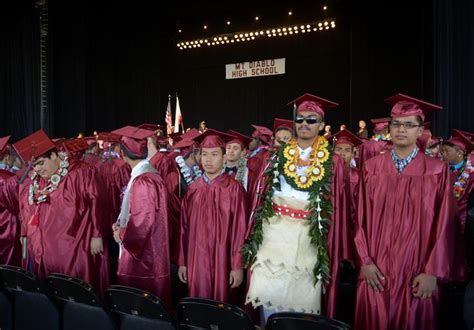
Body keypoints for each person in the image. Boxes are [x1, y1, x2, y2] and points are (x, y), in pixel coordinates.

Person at [244, 93, 352, 321]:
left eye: (311, 120)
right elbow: (261, 197)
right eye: (300, 119)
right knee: (270, 295)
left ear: (321, 125)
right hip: (274, 233)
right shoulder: (275, 157)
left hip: (309, 236)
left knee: (302, 299)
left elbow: (340, 207)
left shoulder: (334, 162)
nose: (304, 124)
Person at [354, 93, 456, 330]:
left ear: (421, 131)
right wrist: (365, 262)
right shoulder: (371, 168)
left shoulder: (437, 171)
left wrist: (432, 272)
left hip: (417, 271)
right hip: (376, 271)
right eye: (397, 123)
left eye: (409, 125)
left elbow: (445, 226)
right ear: (389, 128)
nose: (402, 129)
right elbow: (359, 219)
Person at [11, 129, 110, 292]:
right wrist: (24, 233)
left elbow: (99, 201)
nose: (37, 170)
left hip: (73, 243)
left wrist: (97, 234)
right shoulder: (33, 181)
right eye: (33, 166)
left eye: (41, 163)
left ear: (54, 156)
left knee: (73, 288)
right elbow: (25, 208)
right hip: (42, 244)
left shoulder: (81, 172)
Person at [178, 129, 247, 303]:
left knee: (222, 305)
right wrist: (182, 262)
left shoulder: (234, 189)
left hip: (223, 260)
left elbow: (240, 230)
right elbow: (183, 229)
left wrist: (237, 265)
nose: (208, 160)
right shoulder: (193, 190)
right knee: (197, 302)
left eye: (214, 154)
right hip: (196, 259)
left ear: (224, 158)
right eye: (204, 154)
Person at [111, 126, 171, 307]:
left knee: (141, 306)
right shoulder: (147, 175)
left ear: (122, 153)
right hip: (150, 249)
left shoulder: (144, 181)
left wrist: (121, 234)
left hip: (144, 256)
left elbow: (142, 224)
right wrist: (119, 223)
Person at [0, 135, 21, 266]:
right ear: (7, 158)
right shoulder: (9, 179)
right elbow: (18, 206)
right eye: (13, 156)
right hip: (8, 226)